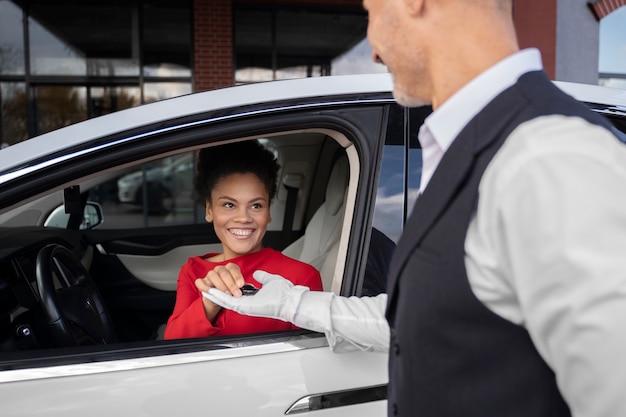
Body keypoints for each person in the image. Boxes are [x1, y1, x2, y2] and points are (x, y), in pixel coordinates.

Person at [205, 1, 626, 416]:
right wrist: (293, 304)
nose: (371, 47)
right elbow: (426, 319)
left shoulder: (550, 155)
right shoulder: (466, 149)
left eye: (372, 12)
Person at [164, 141, 323, 339]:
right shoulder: (193, 271)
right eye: (229, 205)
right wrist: (210, 302)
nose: (243, 218)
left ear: (268, 212)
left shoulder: (302, 277)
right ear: (209, 210)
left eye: (256, 206)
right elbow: (173, 343)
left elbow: (311, 357)